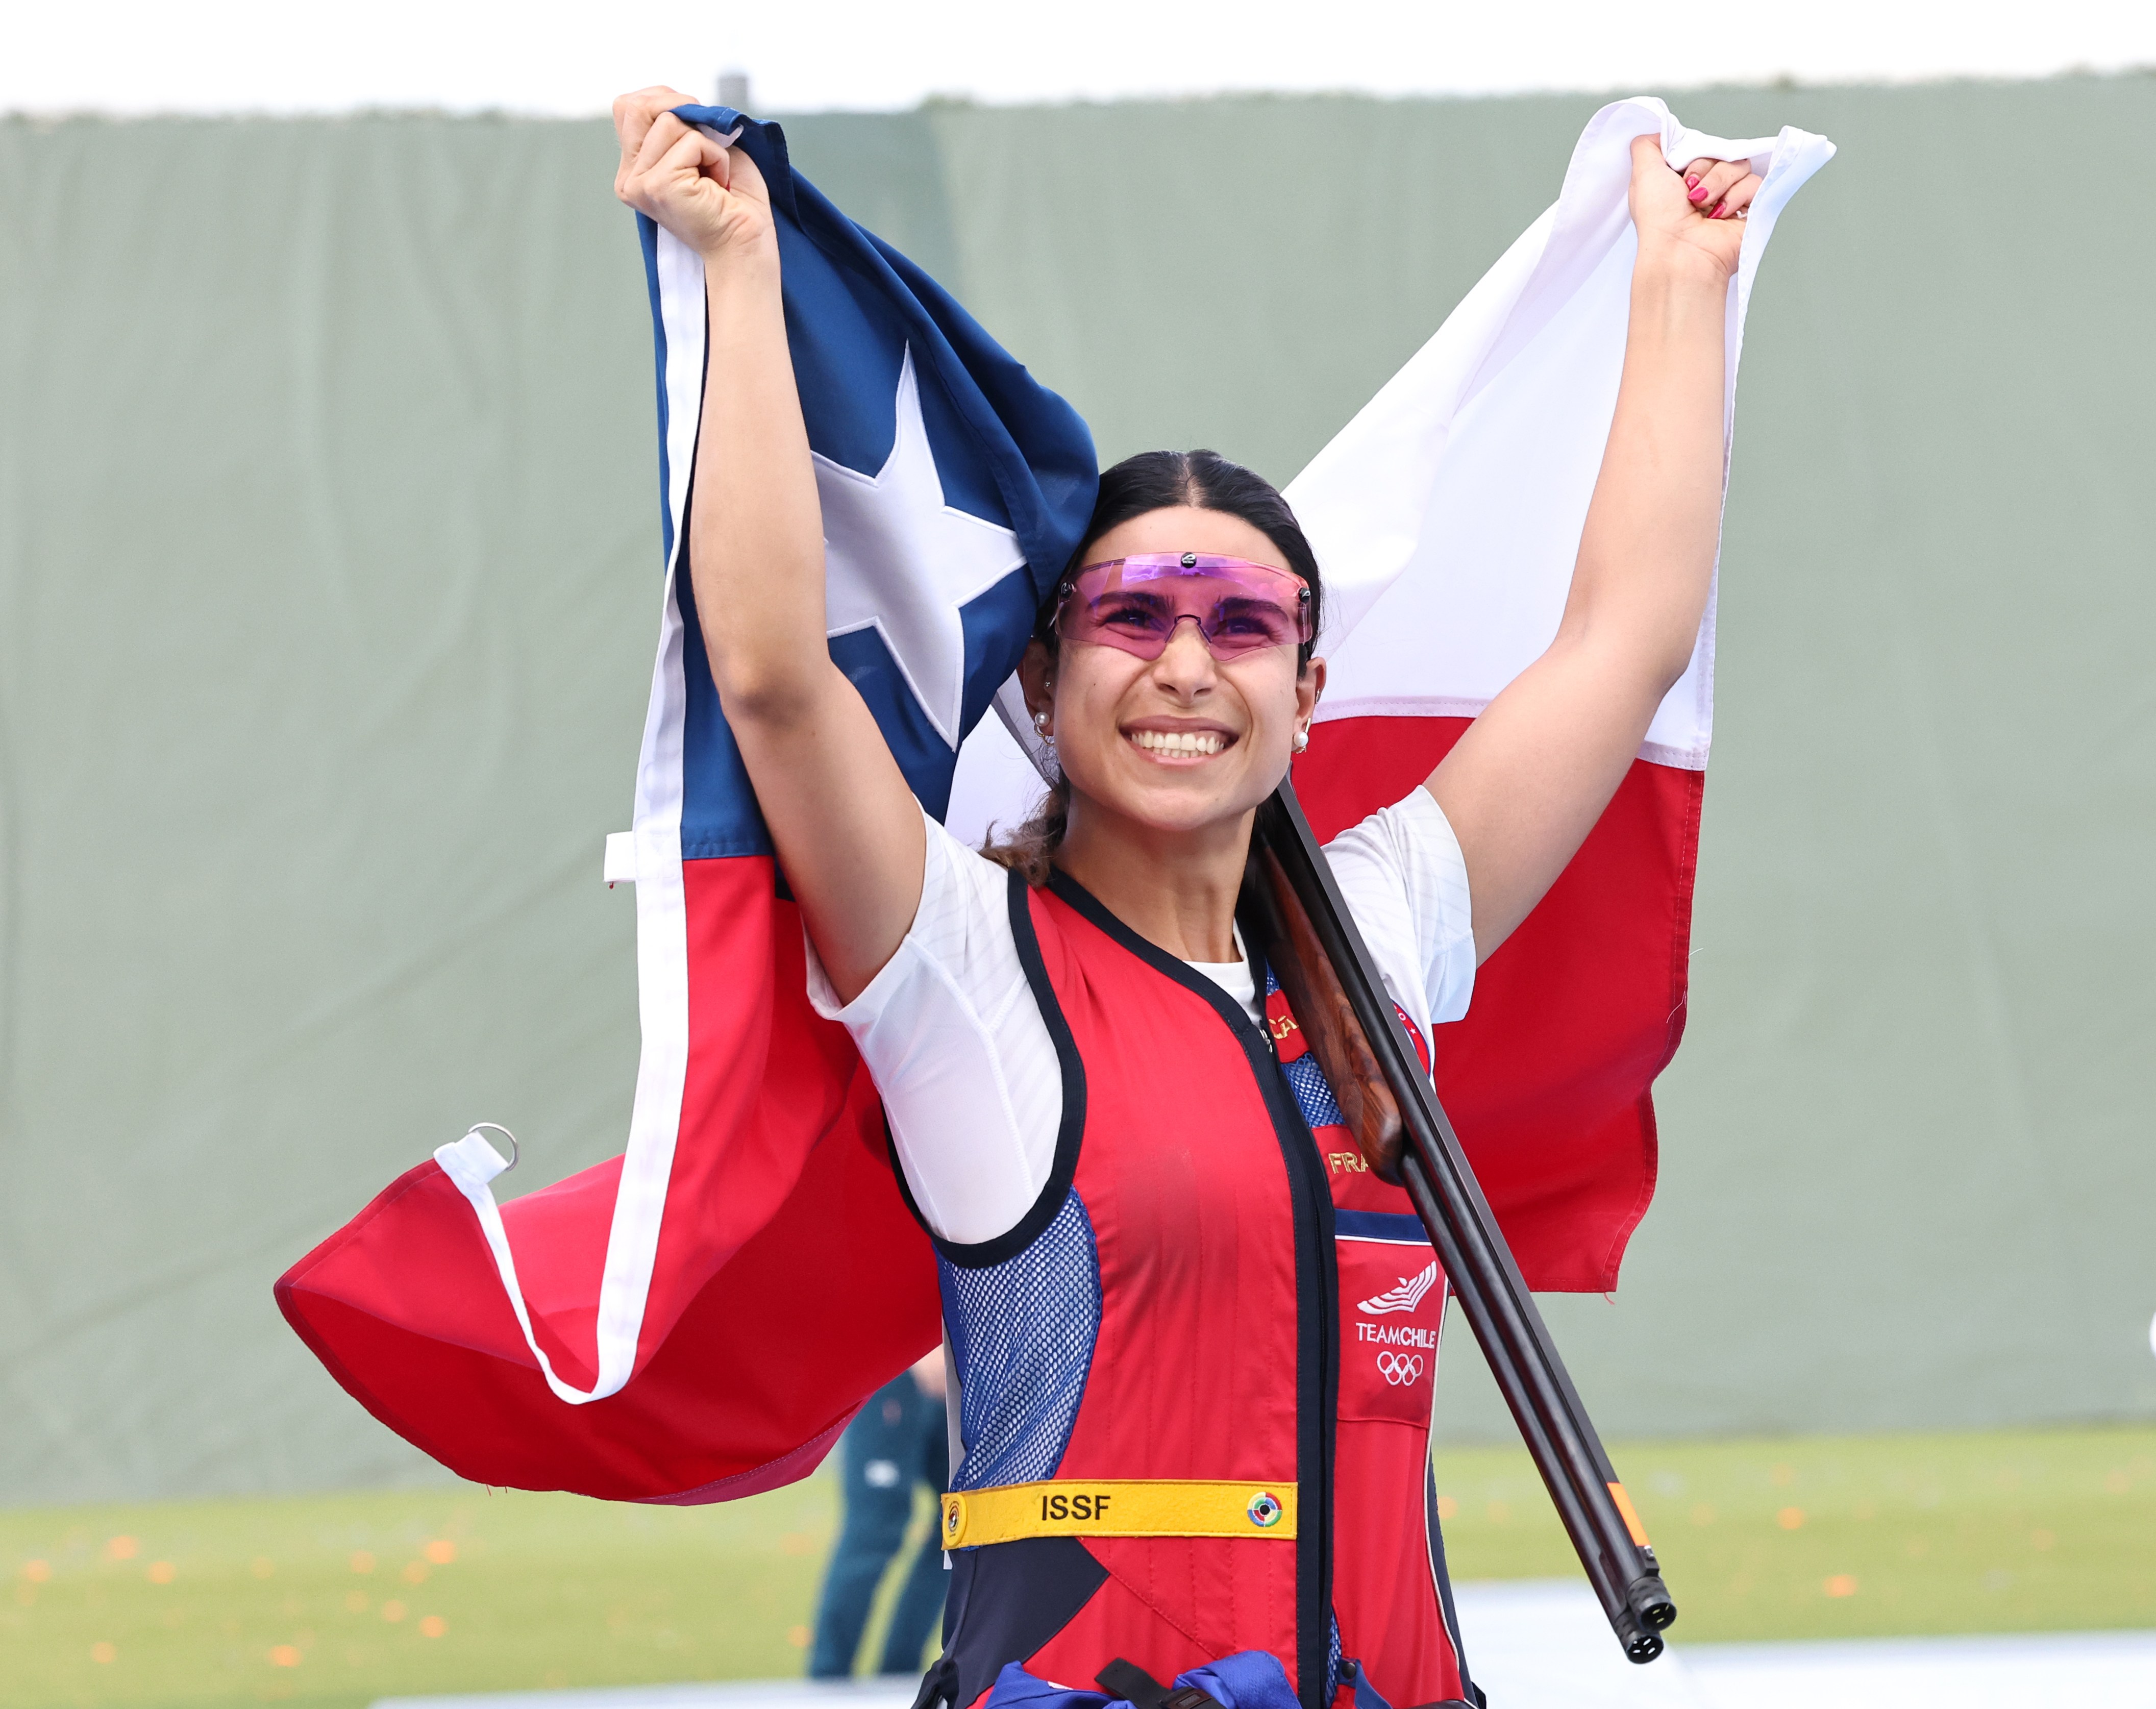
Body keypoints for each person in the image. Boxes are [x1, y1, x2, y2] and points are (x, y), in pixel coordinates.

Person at [613, 86, 1758, 1709]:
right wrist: (734, 270)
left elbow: (1621, 639)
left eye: (1236, 625)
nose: (1178, 664)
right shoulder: (958, 961)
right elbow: (775, 683)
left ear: (1304, 688)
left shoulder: (1377, 936)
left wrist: (1677, 285)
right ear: (1046, 672)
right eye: (1128, 613)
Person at [810, 1349, 953, 1679]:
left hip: (958, 1385)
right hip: (895, 1373)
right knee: (875, 1531)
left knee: (962, 1526)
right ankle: (828, 1675)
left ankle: (900, 1672)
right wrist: (918, 1351)